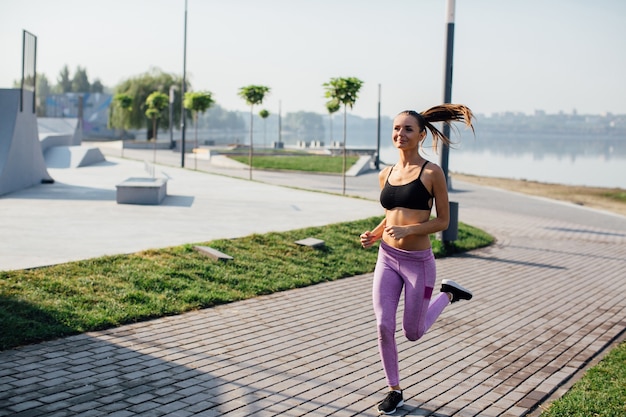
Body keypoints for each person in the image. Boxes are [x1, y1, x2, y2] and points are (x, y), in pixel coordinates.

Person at [360, 105, 475, 415]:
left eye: (408, 129)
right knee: (384, 325)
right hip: (386, 257)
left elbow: (443, 222)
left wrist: (408, 229)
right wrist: (375, 234)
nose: (400, 134)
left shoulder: (431, 172)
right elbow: (390, 214)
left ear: (421, 135)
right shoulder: (386, 173)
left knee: (413, 332)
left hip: (417, 263)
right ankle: (394, 389)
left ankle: (448, 293)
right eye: (397, 128)